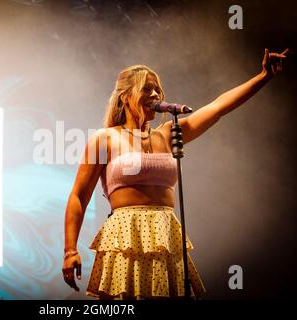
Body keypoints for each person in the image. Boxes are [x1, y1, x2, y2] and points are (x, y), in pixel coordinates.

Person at [62, 48, 290, 299]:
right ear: (126, 97)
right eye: (146, 89)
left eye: (157, 89)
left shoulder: (168, 133)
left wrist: (263, 76)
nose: (155, 94)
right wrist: (70, 250)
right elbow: (78, 197)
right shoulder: (104, 139)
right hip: (125, 237)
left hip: (165, 236)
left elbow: (219, 107)